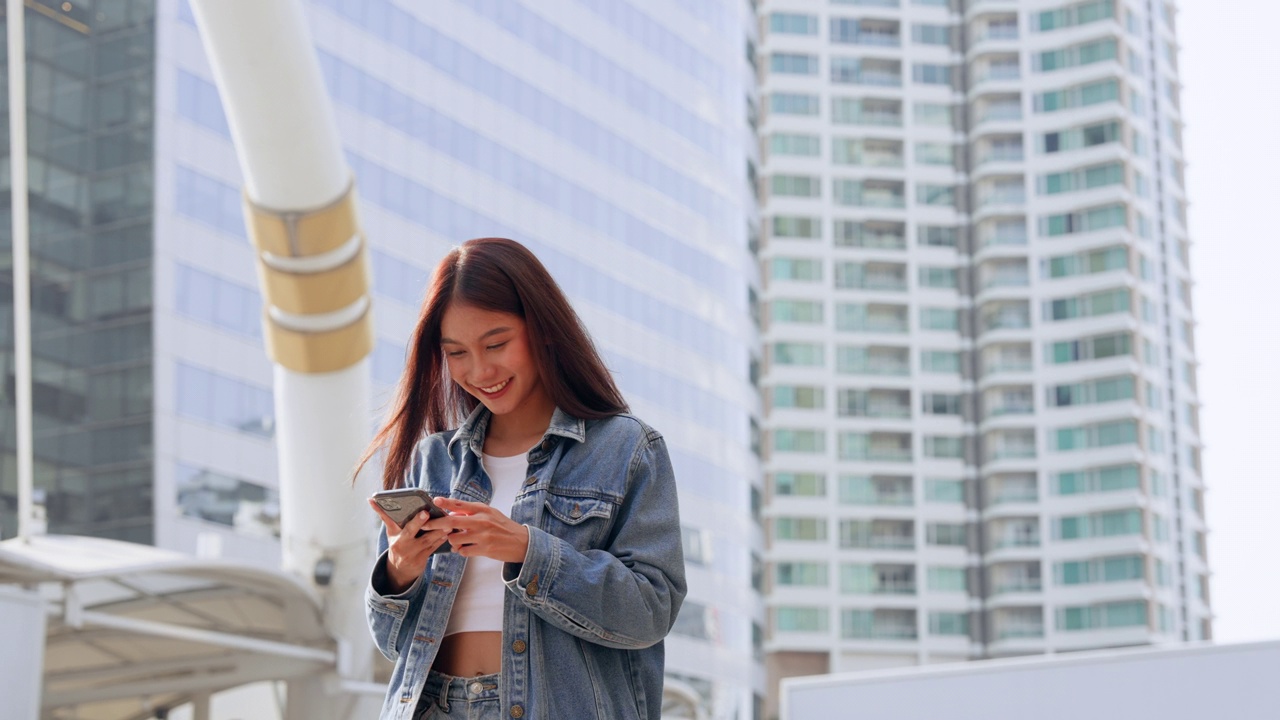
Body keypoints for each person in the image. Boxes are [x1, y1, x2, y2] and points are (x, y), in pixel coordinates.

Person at [358, 237, 687, 720]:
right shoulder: (434, 461)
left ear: (543, 330)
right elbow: (393, 646)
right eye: (457, 353)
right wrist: (400, 571)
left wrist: (525, 549)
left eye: (496, 344)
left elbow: (650, 611)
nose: (480, 370)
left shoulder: (625, 449)